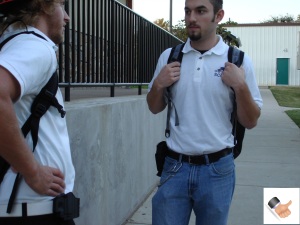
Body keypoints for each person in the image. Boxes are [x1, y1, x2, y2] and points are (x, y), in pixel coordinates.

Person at [147, 0, 263, 224]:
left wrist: (240, 86)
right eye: (188, 11)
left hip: (218, 171)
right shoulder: (170, 57)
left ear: (218, 15)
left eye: (200, 11)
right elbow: (154, 107)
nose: (191, 18)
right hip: (174, 168)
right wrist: (158, 85)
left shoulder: (237, 60)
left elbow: (250, 121)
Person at [0, 0, 78, 224]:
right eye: (61, 5)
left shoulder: (11, 43)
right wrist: (32, 170)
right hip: (33, 212)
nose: (67, 17)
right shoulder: (36, 46)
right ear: (44, 6)